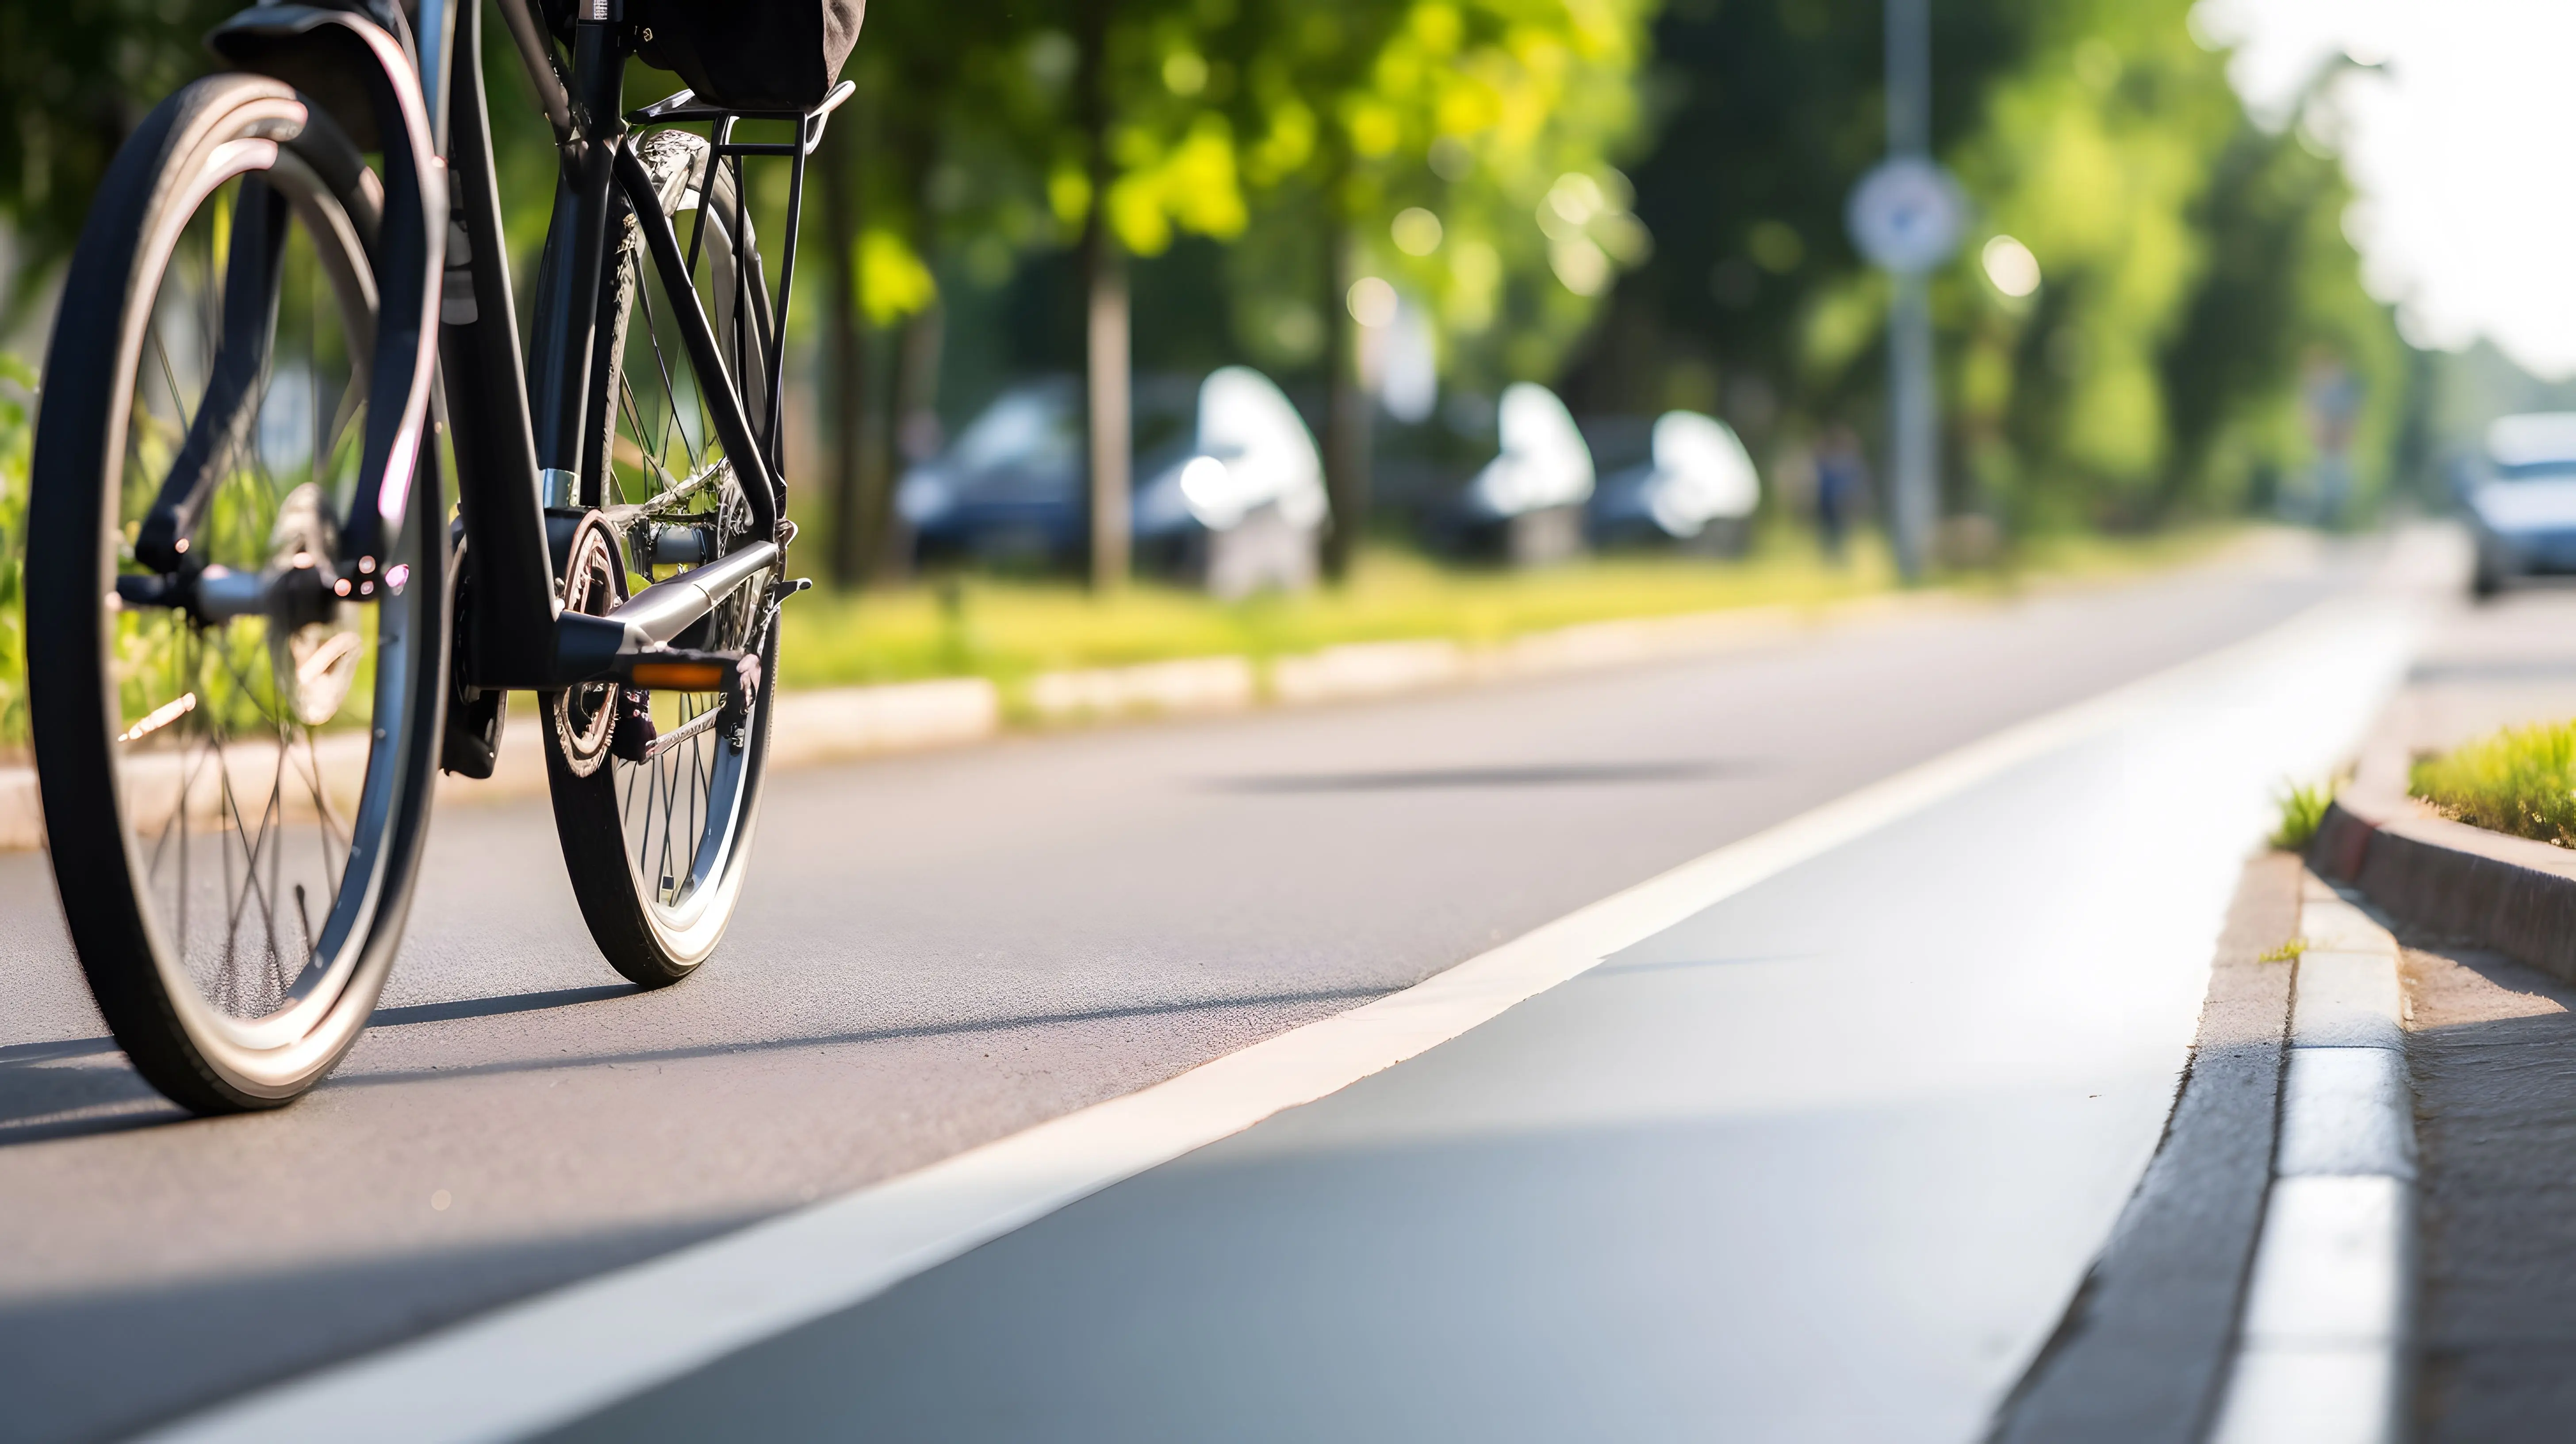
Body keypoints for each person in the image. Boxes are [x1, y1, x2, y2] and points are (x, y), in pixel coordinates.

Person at [1813, 423, 1870, 562]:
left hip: (1841, 501)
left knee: (1841, 532)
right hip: (1827, 501)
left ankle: (1839, 557)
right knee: (1830, 531)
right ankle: (1832, 557)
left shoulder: (1847, 459)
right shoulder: (1827, 458)